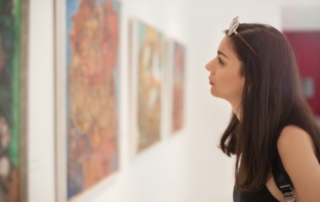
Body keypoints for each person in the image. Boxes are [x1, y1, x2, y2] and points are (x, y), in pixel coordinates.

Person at [205, 16, 320, 202]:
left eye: (221, 60)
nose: (208, 66)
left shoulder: (290, 138)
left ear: (253, 77)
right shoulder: (251, 130)